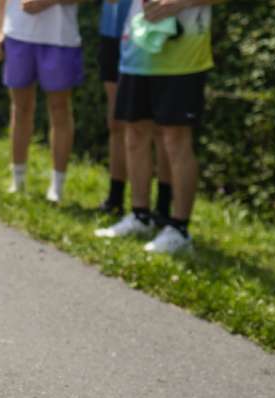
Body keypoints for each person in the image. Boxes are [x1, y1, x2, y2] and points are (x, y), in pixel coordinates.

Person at [96, 0, 223, 254]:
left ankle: (179, 229)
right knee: (134, 132)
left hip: (184, 56)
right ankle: (140, 215)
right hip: (136, 48)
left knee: (176, 139)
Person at [0, 0, 85, 203]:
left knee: (60, 109)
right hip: (17, 33)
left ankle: (57, 187)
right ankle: (17, 181)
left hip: (60, 37)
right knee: (20, 109)